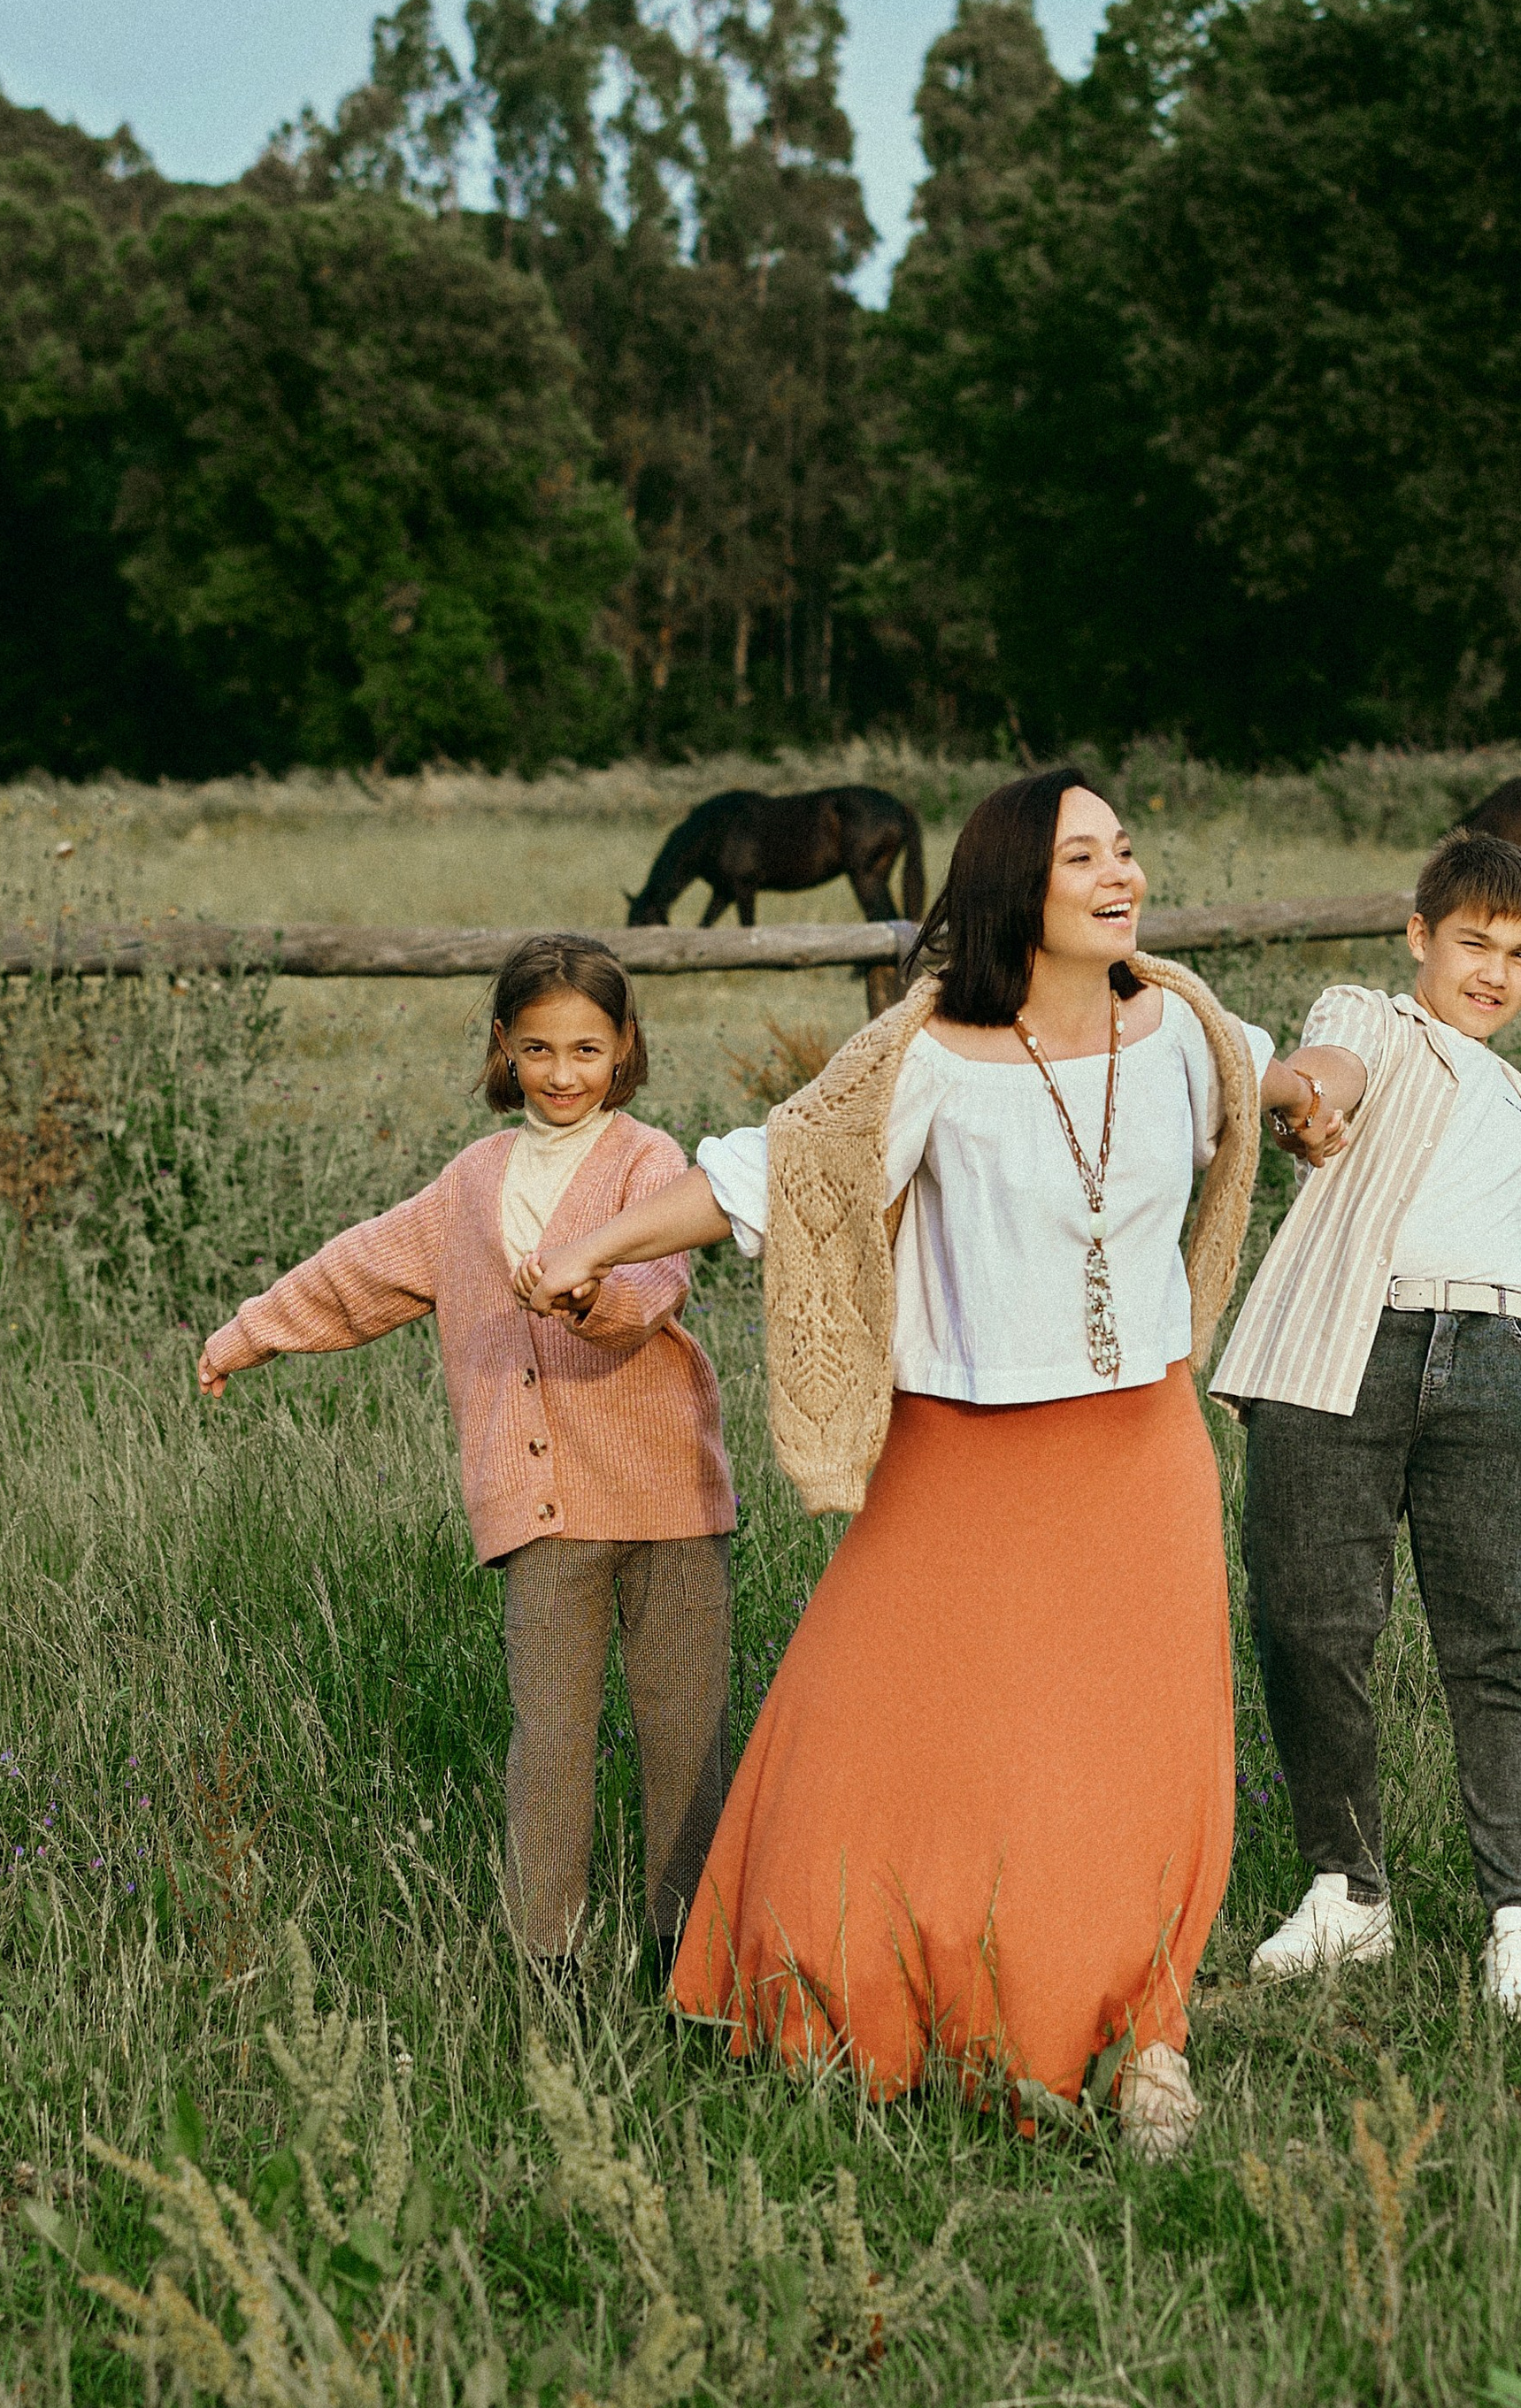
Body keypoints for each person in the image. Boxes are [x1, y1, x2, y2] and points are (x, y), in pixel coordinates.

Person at [515, 770, 1325, 2155]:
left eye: (1126, 851)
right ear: (1020, 883)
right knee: (884, 1733)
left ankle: (1138, 2039)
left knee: (1129, 1756)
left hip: (1140, 1448)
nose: (1121, 875)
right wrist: (596, 1244)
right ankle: (849, 1994)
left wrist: (1334, 1081)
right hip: (957, 1449)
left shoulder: (1187, 1029)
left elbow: (1288, 1076)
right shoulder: (927, 1055)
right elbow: (775, 1172)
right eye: (1086, 858)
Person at [1212, 827, 1521, 2023]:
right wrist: (1307, 1106)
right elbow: (1326, 1068)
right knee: (1309, 1623)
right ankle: (1348, 1890)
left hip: (1494, 1365)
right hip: (1343, 1352)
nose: (1493, 973)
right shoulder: (1375, 1019)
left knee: (1504, 1641)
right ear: (1419, 937)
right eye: (1473, 943)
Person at [196, 935, 736, 1981]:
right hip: (540, 1514)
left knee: (686, 1738)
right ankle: (553, 1963)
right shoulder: (470, 1182)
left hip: (669, 1495)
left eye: (586, 1049)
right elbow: (359, 1270)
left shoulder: (647, 1160)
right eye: (538, 1049)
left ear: (623, 1050)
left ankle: (693, 1955)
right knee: (551, 1743)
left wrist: (594, 1294)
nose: (563, 1072)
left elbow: (658, 1280)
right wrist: (250, 1332)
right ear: (504, 1048)